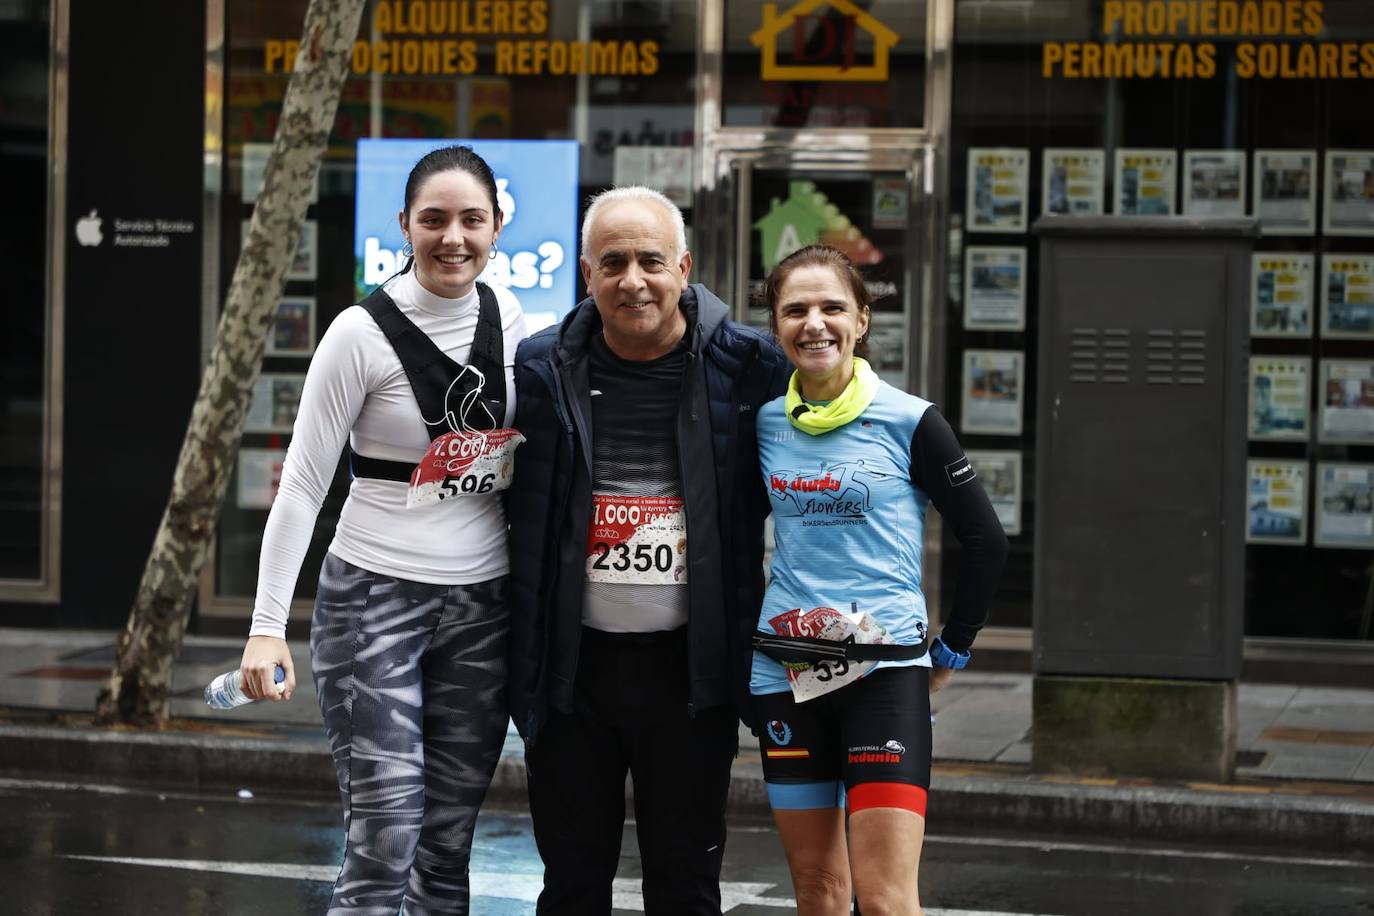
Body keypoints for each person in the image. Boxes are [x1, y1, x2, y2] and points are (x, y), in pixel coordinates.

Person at [236, 145, 527, 915]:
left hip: (480, 609)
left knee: (446, 849)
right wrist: (268, 628)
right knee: (385, 837)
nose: (453, 237)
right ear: (405, 225)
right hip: (373, 603)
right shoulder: (358, 334)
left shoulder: (511, 317)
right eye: (433, 220)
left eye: (472, 219)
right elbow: (301, 485)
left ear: (498, 225)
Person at [507, 186, 791, 914]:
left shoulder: (750, 368)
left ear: (684, 267)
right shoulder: (540, 370)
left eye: (650, 261)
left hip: (691, 678)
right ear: (587, 275)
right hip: (573, 679)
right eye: (613, 263)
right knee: (571, 885)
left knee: (685, 885)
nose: (632, 280)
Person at [750, 245, 1007, 916]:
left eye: (832, 307)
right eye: (795, 310)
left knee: (887, 898)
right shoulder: (765, 423)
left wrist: (953, 647)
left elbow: (985, 539)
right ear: (775, 325)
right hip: (788, 674)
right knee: (818, 890)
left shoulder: (911, 420)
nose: (815, 324)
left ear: (862, 319)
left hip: (885, 675)